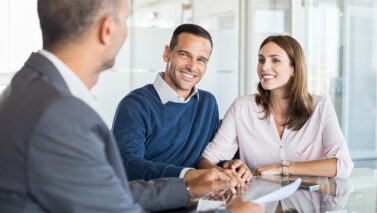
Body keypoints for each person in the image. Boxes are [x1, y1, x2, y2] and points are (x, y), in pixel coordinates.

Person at [0, 0, 263, 212]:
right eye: (125, 20)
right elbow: (115, 203)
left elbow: (105, 192)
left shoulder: (30, 91)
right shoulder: (60, 113)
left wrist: (189, 188)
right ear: (107, 29)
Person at [199, 35, 353, 178]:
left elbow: (343, 165)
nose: (264, 67)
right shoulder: (242, 108)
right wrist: (228, 177)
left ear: (294, 68)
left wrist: (283, 168)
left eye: (275, 60)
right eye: (261, 60)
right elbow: (206, 161)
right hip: (258, 204)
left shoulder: (321, 107)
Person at [112, 23, 243, 184]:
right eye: (185, 55)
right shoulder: (135, 105)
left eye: (201, 60)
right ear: (167, 53)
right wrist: (187, 175)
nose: (192, 66)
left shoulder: (207, 104)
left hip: (197, 199)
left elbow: (207, 157)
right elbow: (127, 166)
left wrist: (228, 168)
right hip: (149, 202)